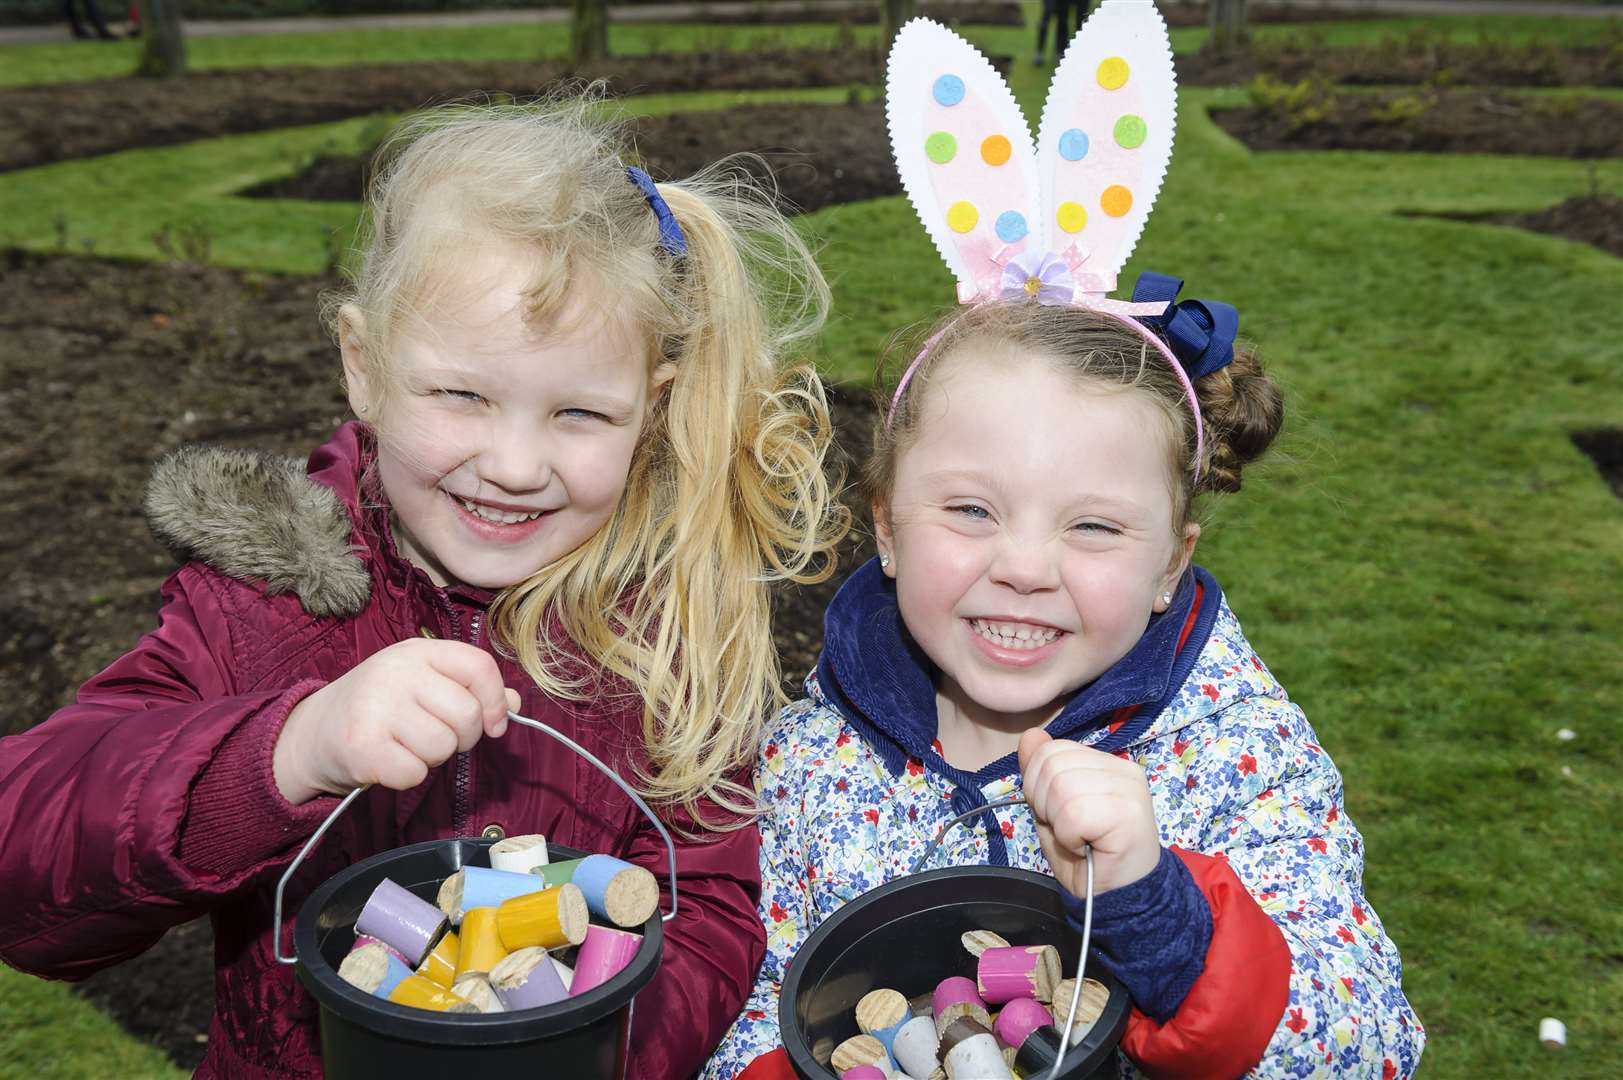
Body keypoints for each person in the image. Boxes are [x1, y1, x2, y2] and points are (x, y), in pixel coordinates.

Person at [0, 95, 846, 1079]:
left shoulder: (665, 615)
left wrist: (599, 1053)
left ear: (648, 410)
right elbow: (27, 865)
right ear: (365, 365)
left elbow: (705, 902)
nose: (517, 465)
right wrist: (286, 750)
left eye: (579, 413)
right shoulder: (256, 600)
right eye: (462, 395)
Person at [705, 9, 1424, 1078]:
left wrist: (1157, 911)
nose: (1025, 566)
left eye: (1091, 526)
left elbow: (1370, 1049)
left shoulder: (1236, 757)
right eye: (971, 511)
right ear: (889, 528)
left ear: (1171, 562)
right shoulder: (812, 761)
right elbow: (759, 1010)